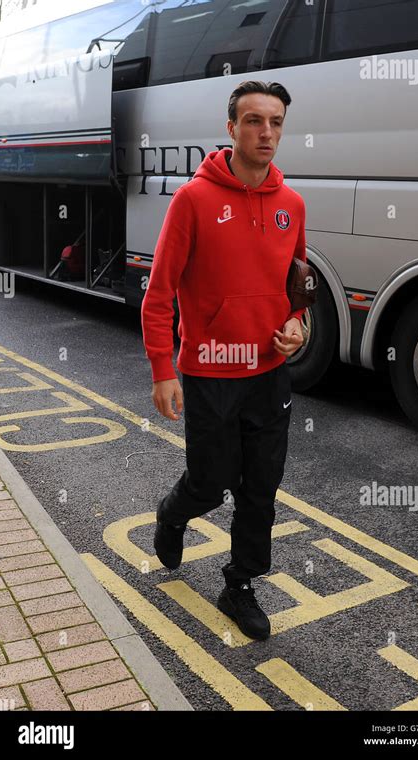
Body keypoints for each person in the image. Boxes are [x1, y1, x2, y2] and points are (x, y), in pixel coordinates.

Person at [141, 80, 307, 641]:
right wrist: (164, 369)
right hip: (209, 371)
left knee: (261, 486)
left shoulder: (292, 204)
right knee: (211, 483)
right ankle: (173, 512)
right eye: (255, 120)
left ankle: (239, 584)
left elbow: (297, 288)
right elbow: (159, 293)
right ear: (231, 127)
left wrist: (296, 327)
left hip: (268, 374)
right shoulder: (193, 200)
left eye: (276, 122)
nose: (267, 132)